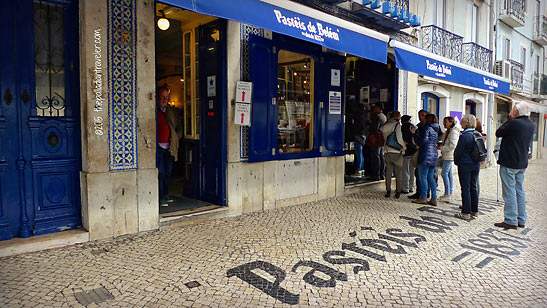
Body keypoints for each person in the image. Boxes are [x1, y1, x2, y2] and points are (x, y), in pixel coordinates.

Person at [494, 102, 534, 229]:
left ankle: (511, 219)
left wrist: (510, 118)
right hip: (522, 163)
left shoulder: (513, 123)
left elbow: (498, 132)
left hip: (509, 162)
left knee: (509, 192)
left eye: (513, 110)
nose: (511, 112)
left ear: (516, 112)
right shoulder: (530, 124)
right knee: (519, 191)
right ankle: (521, 219)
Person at [157, 86, 182, 206]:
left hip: (170, 147)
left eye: (166, 98)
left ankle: (165, 194)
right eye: (162, 97)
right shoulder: (154, 110)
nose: (164, 100)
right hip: (158, 148)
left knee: (168, 172)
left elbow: (178, 126)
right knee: (161, 172)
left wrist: (177, 137)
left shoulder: (172, 111)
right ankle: (161, 196)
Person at [453, 114, 480, 220]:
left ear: (465, 123)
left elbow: (459, 151)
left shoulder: (465, 136)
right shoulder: (477, 134)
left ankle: (466, 212)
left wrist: (456, 161)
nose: (461, 123)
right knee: (473, 186)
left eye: (462, 122)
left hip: (465, 163)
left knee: (465, 188)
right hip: (476, 163)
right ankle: (475, 210)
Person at [412, 113, 440, 205]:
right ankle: (434, 198)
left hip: (425, 154)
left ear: (427, 119)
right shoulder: (436, 129)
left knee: (422, 177)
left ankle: (423, 197)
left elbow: (423, 140)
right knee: (430, 177)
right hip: (433, 155)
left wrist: (414, 135)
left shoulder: (426, 127)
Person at [380, 111, 406, 198]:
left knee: (388, 172)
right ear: (397, 116)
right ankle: (398, 191)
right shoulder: (397, 125)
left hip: (387, 150)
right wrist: (403, 147)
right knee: (398, 172)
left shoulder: (384, 125)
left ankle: (388, 191)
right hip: (397, 152)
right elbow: (399, 138)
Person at [438, 116, 460, 202]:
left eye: (445, 122)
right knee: (449, 174)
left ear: (451, 122)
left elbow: (452, 145)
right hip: (447, 155)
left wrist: (442, 148)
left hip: (449, 156)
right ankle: (449, 192)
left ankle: (447, 193)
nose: (444, 123)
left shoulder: (453, 132)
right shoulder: (449, 131)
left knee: (444, 173)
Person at [408, 109, 427, 199]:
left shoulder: (428, 127)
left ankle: (424, 193)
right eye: (419, 115)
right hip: (418, 150)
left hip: (425, 152)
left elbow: (423, 140)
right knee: (418, 173)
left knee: (424, 175)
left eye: (422, 115)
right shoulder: (418, 126)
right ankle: (419, 192)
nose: (420, 117)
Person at [367, 104, 387, 181]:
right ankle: (382, 174)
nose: (374, 109)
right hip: (381, 139)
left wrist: (369, 125)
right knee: (381, 156)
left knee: (376, 156)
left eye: (375, 108)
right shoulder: (384, 116)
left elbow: (374, 128)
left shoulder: (377, 117)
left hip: (376, 139)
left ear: (379, 108)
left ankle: (376, 175)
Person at [352, 99, 368, 177]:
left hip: (359, 135)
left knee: (359, 153)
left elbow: (360, 126)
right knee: (361, 153)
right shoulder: (363, 115)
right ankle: (361, 170)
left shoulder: (359, 116)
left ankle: (358, 170)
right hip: (362, 135)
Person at [401, 115, 417, 194]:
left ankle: (405, 188)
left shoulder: (402, 128)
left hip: (406, 151)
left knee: (405, 170)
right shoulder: (414, 127)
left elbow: (403, 140)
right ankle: (411, 187)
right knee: (412, 170)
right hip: (414, 151)